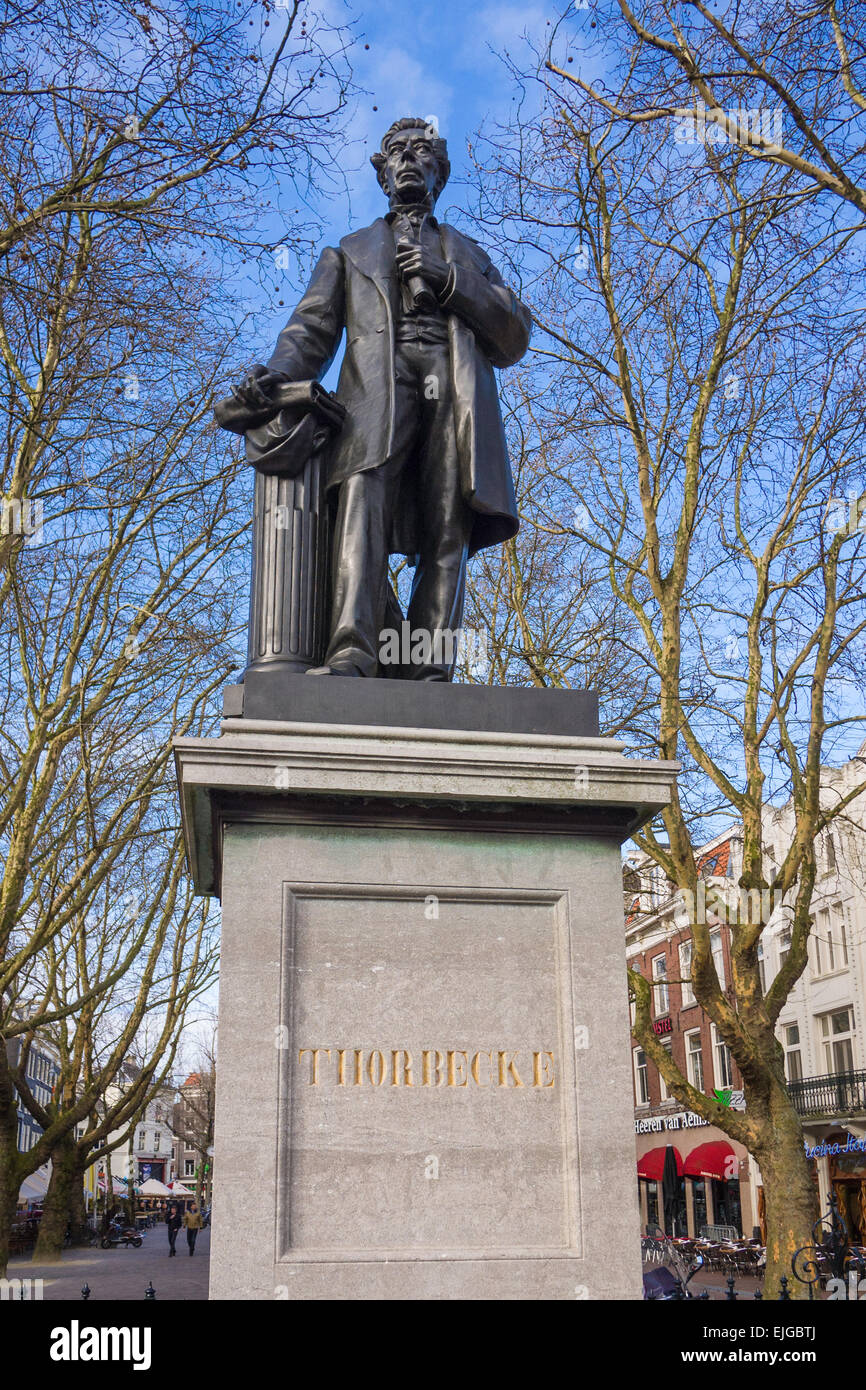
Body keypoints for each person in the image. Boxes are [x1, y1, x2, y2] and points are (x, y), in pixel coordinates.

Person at [228, 117, 531, 681]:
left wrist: (450, 282)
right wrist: (274, 376)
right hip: (375, 389)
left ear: (440, 173)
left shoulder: (468, 254)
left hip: (455, 389)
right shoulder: (348, 251)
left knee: (448, 521)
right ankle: (353, 651)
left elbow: (514, 334)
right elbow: (309, 330)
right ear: (382, 171)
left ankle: (430, 667)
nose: (409, 160)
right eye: (397, 152)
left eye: (423, 152)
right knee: (360, 509)